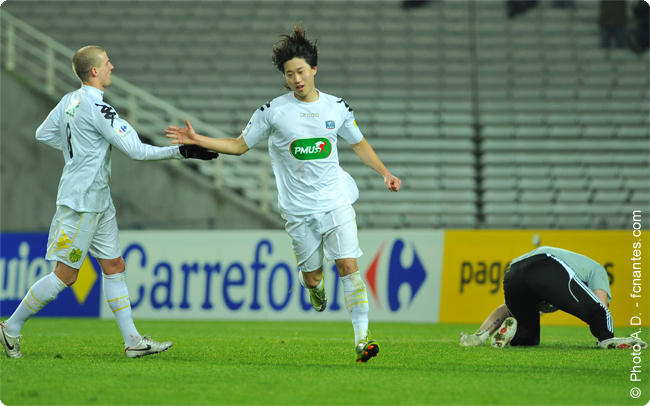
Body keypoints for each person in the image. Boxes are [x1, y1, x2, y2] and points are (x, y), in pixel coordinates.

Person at [165, 24, 401, 363]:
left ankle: (362, 341)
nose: (296, 79)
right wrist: (198, 139)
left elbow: (359, 144)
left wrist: (385, 173)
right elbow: (239, 145)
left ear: (314, 68)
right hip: (298, 210)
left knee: (349, 266)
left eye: (301, 71)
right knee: (313, 277)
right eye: (290, 74)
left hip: (336, 200)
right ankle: (315, 289)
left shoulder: (337, 107)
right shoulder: (272, 111)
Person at [0, 46, 217, 359]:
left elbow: (43, 133)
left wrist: (80, 150)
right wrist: (181, 151)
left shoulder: (68, 100)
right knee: (66, 275)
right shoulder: (99, 108)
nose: (112, 67)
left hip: (99, 200)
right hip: (82, 203)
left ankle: (133, 341)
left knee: (114, 266)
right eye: (107, 63)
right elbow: (137, 151)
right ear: (94, 71)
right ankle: (10, 327)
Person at [459, 246, 648, 349]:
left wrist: (480, 335)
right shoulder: (596, 270)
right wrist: (604, 334)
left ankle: (505, 335)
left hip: (513, 272)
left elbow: (505, 309)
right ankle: (608, 340)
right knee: (596, 311)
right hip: (546, 262)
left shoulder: (558, 285)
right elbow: (600, 305)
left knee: (528, 337)